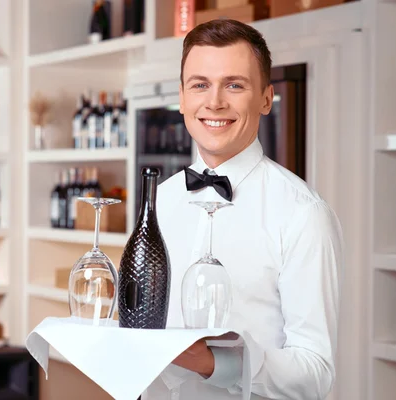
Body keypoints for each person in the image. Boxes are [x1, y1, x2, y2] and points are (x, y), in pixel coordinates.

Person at [142, 19, 344, 400]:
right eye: (200, 85)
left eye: (234, 85)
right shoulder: (160, 202)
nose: (214, 102)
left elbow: (316, 373)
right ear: (182, 98)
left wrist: (216, 364)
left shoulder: (303, 214)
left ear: (266, 99)